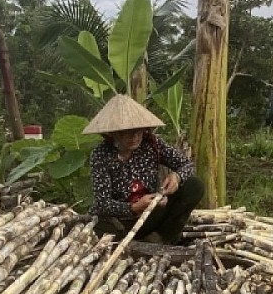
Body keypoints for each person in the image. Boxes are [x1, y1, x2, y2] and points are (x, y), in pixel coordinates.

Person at [84, 94, 204, 245]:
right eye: (126, 133)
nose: (134, 137)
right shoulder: (101, 154)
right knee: (102, 228)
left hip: (149, 215)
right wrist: (133, 207)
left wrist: (177, 177)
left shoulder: (152, 144)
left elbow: (187, 164)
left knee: (194, 185)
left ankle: (162, 238)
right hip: (120, 222)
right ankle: (129, 242)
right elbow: (102, 204)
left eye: (138, 132)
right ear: (113, 133)